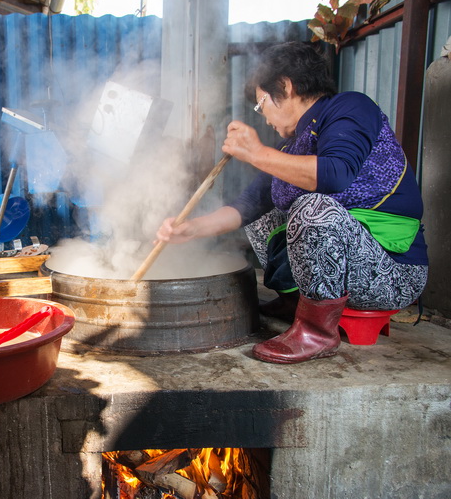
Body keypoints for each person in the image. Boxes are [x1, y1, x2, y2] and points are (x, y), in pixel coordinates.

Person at [156, 41, 428, 365]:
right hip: (350, 270)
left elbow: (335, 174)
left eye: (261, 105)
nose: (265, 118)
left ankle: (316, 332)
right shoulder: (293, 145)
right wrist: (191, 228)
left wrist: (257, 153)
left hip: (391, 273)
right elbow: (248, 205)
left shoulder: (351, 108)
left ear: (285, 86)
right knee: (263, 213)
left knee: (313, 209)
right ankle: (293, 301)